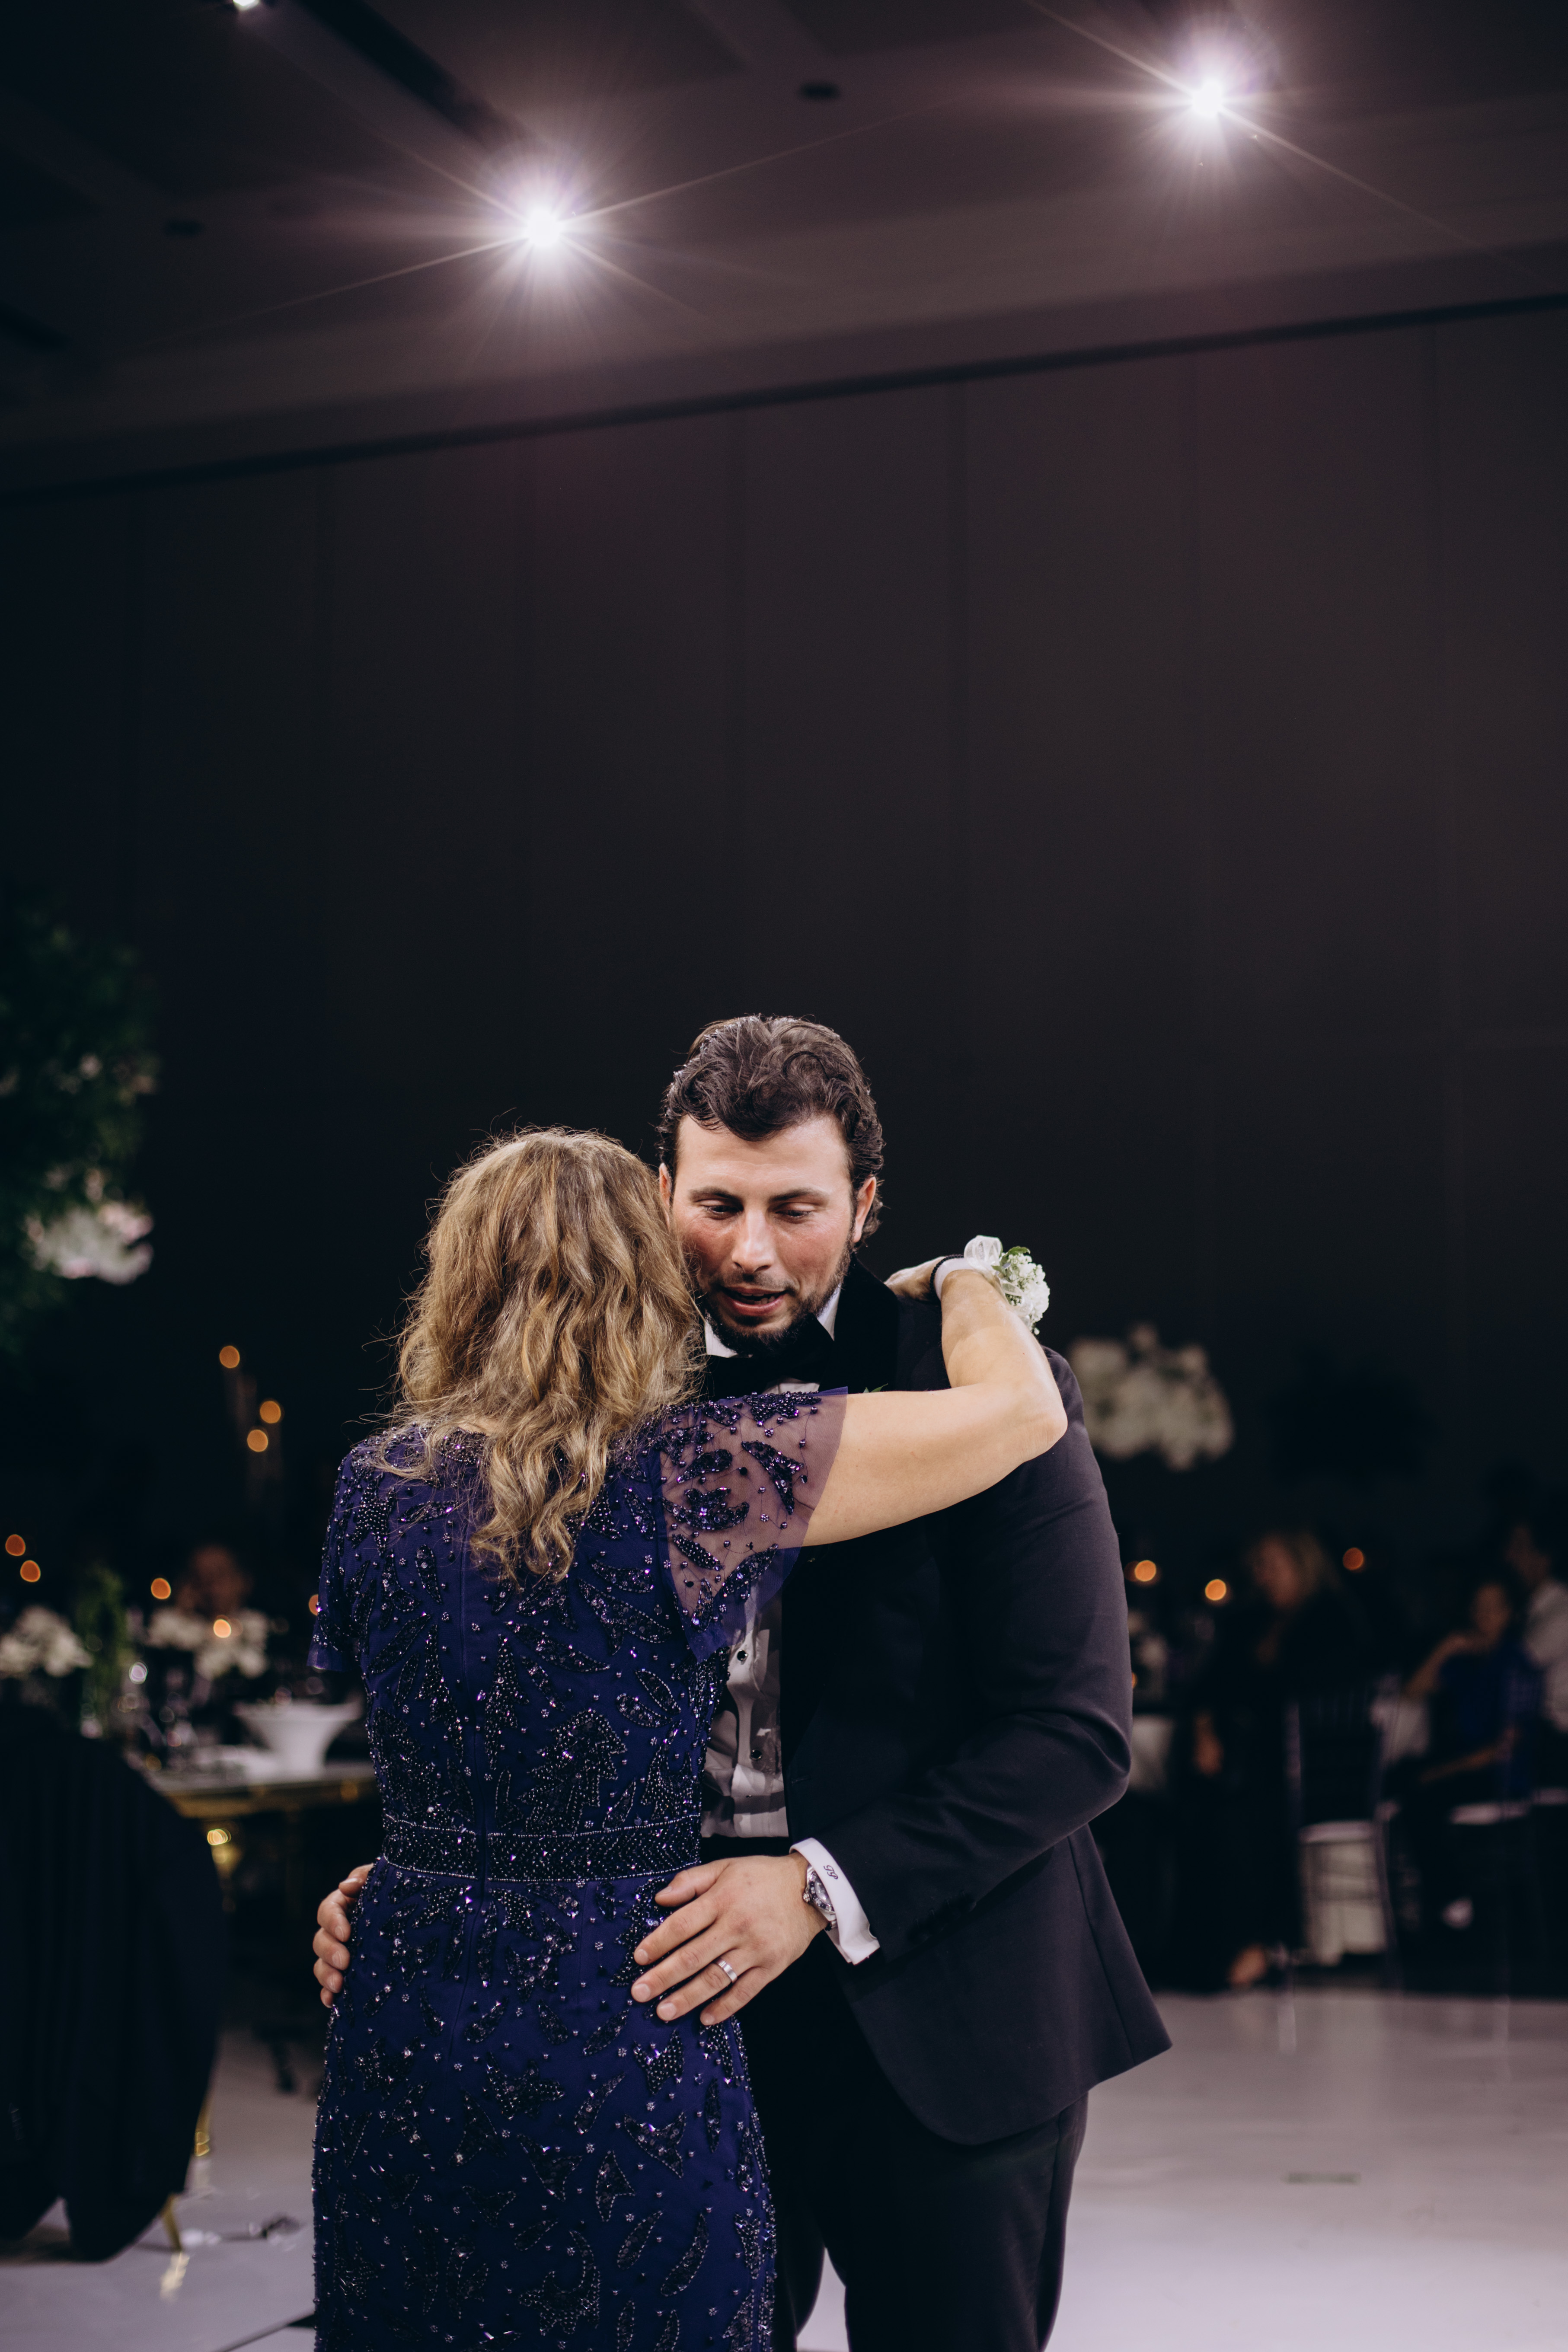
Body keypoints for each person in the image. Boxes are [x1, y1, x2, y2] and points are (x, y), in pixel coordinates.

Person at [316, 1015, 1169, 2352]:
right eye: (718, 1205)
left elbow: (1074, 1732)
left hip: (942, 2010)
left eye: (796, 1208)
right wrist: (439, 1872)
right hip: (658, 2021)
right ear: (661, 1193)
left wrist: (817, 1885)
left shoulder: (982, 1385)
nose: (752, 1250)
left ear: (866, 1204)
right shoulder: (594, 1398)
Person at [1181, 1528, 1370, 1989]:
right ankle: (1201, 1949)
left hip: (1314, 1765)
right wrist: (1204, 1730)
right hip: (1245, 1758)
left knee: (1244, 1815)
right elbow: (1207, 1685)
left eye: (1271, 1564)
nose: (1262, 1576)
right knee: (1197, 1807)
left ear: (1301, 1564)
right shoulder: (1248, 1620)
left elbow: (1329, 1695)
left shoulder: (1331, 1617)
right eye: (1257, 1567)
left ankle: (1261, 1942)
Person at [1504, 1509, 1568, 1783]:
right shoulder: (1531, 1610)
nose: (1508, 1556)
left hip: (1557, 1745)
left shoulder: (1561, 1611)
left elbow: (1510, 1668)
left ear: (1545, 1557)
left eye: (1519, 1547)